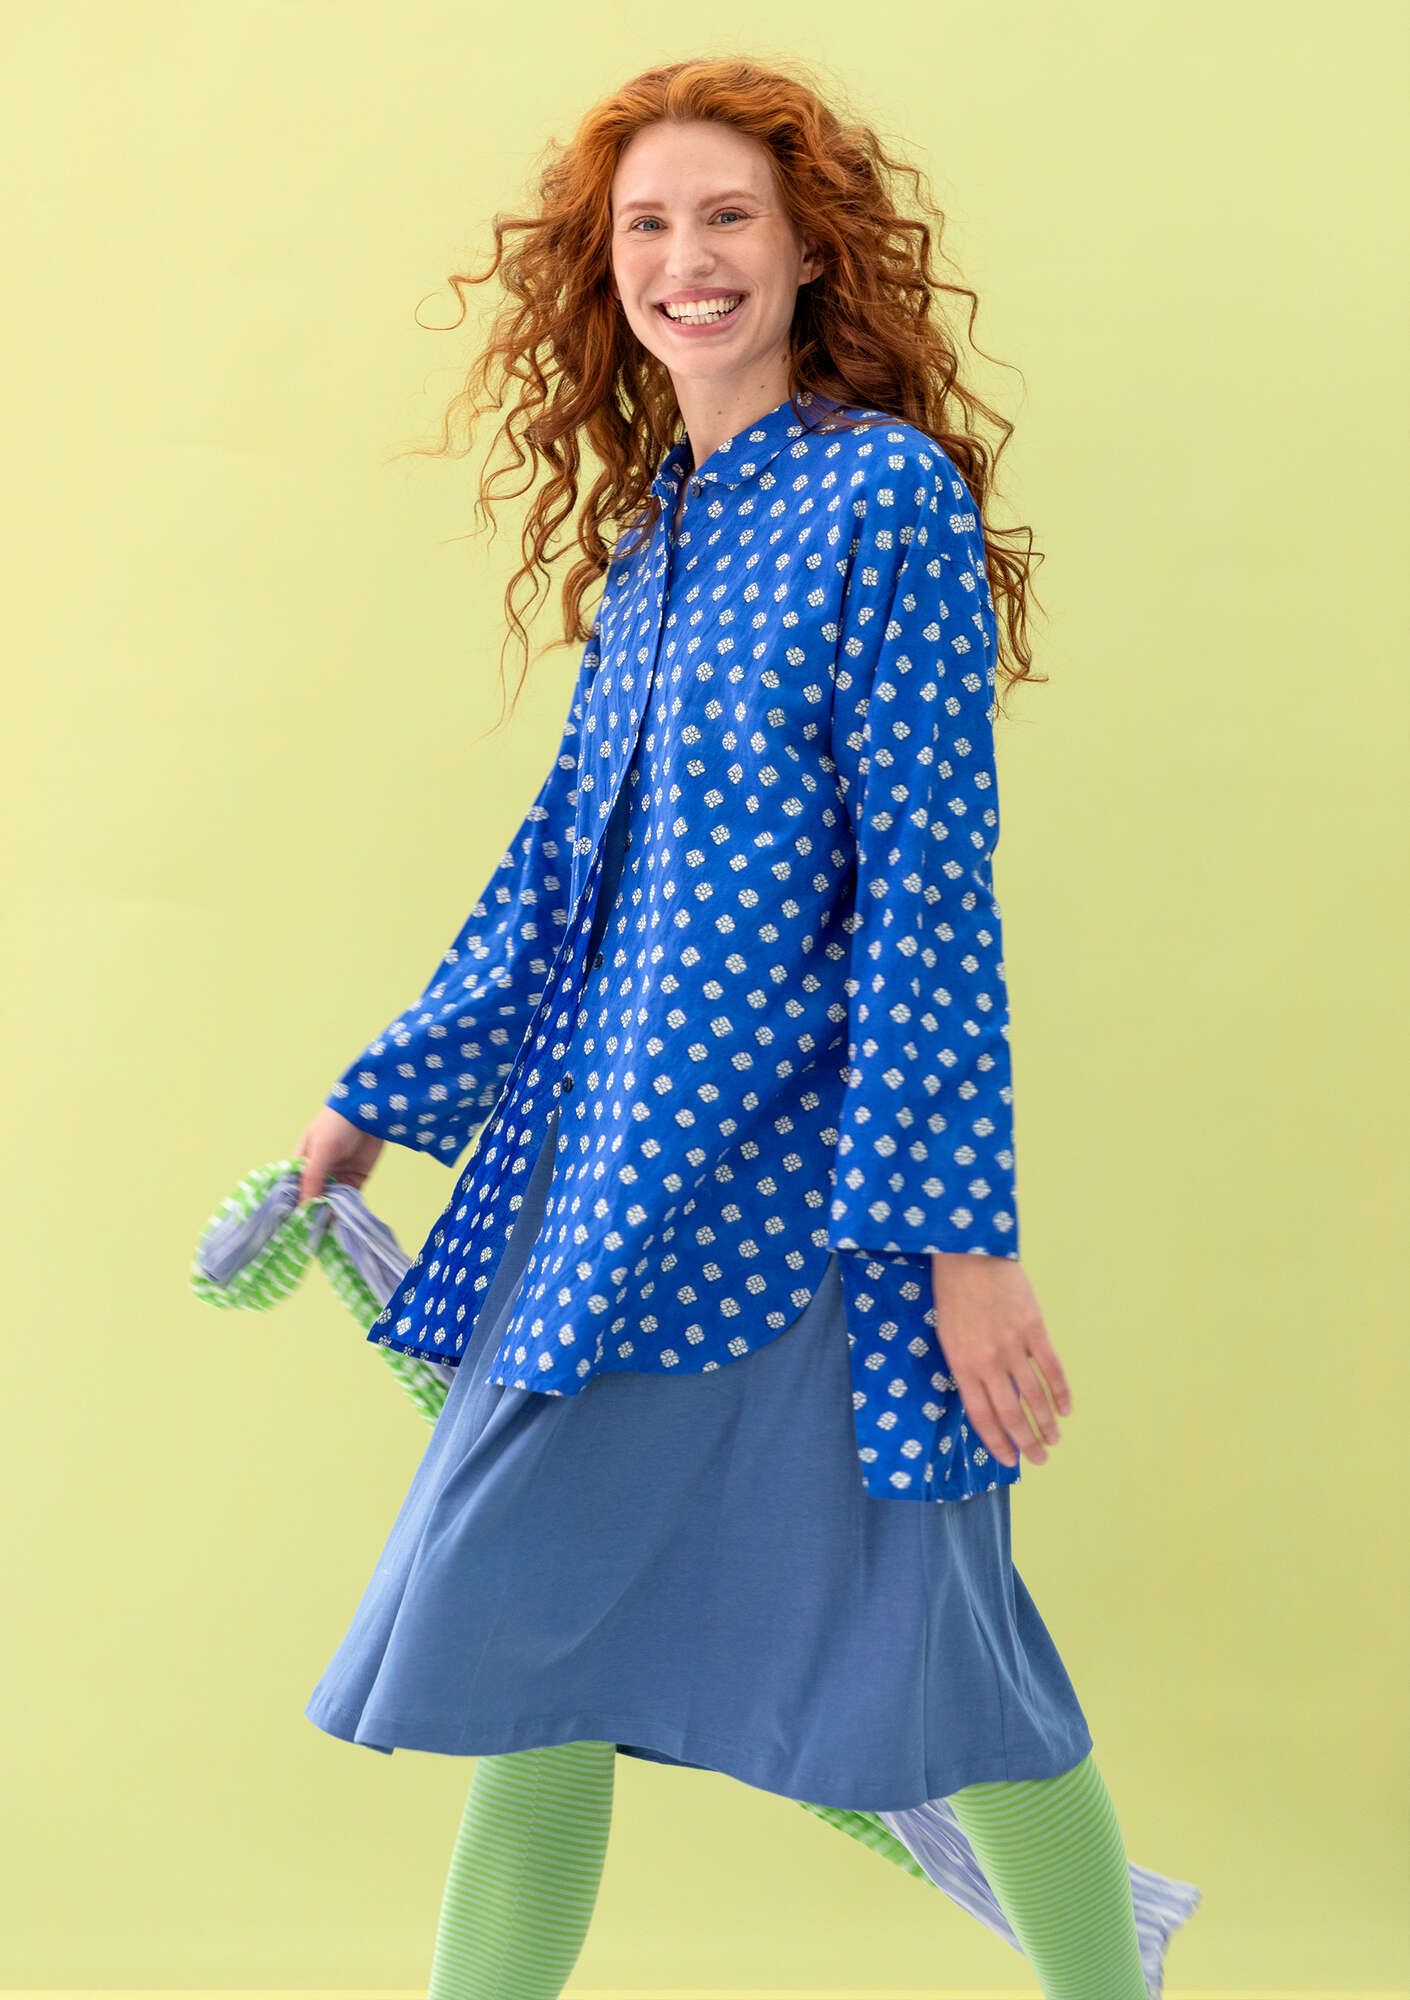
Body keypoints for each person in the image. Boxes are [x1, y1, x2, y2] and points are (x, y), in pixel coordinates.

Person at [292, 58, 1199, 2000]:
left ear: (806, 255)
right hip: (604, 1205)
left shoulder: (882, 498)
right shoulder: (658, 541)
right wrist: (373, 1104)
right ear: (604, 268)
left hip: (810, 1220)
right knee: (521, 1641)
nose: (685, 258)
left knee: (951, 1665)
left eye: (726, 218)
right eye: (647, 225)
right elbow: (561, 875)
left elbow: (929, 891)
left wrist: (962, 1245)